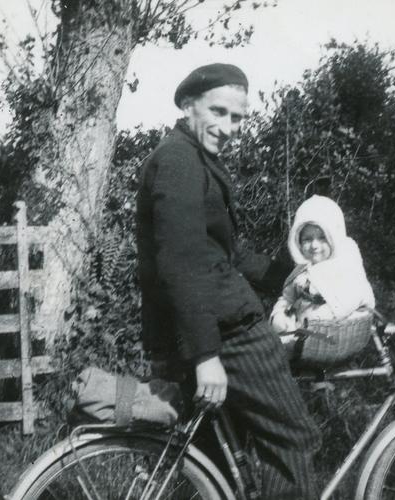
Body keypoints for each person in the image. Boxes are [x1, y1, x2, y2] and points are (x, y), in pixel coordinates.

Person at [135, 63, 320, 499]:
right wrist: (206, 355)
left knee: (211, 458)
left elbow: (225, 253)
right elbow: (181, 264)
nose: (228, 127)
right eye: (218, 112)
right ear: (187, 105)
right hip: (227, 331)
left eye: (237, 118)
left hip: (202, 325)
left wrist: (288, 275)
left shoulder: (193, 158)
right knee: (293, 439)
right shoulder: (180, 161)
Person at [270, 195, 376, 339]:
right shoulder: (302, 271)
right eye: (307, 239)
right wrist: (279, 315)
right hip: (300, 332)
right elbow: (287, 297)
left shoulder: (345, 265)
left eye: (322, 238)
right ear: (298, 242)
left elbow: (354, 296)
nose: (314, 246)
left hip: (333, 334)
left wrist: (321, 315)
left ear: (334, 238)